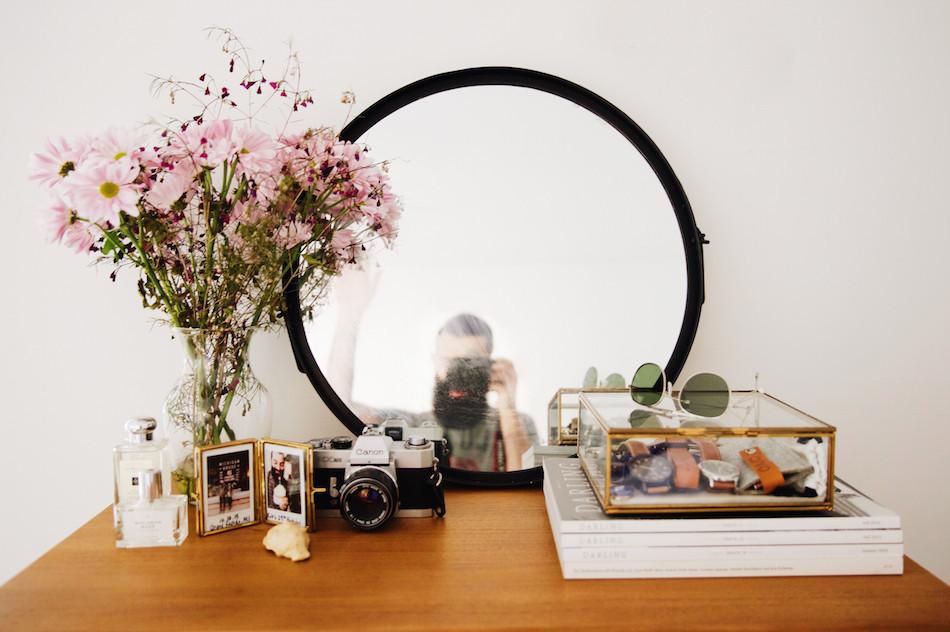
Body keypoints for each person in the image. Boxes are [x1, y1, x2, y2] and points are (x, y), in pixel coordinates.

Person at [328, 266, 537, 471]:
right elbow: (338, 408)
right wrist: (350, 315)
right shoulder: (413, 426)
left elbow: (526, 484)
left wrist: (509, 410)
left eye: (470, 363)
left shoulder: (518, 425)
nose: (459, 374)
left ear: (491, 366)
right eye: (450, 362)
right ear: (435, 362)